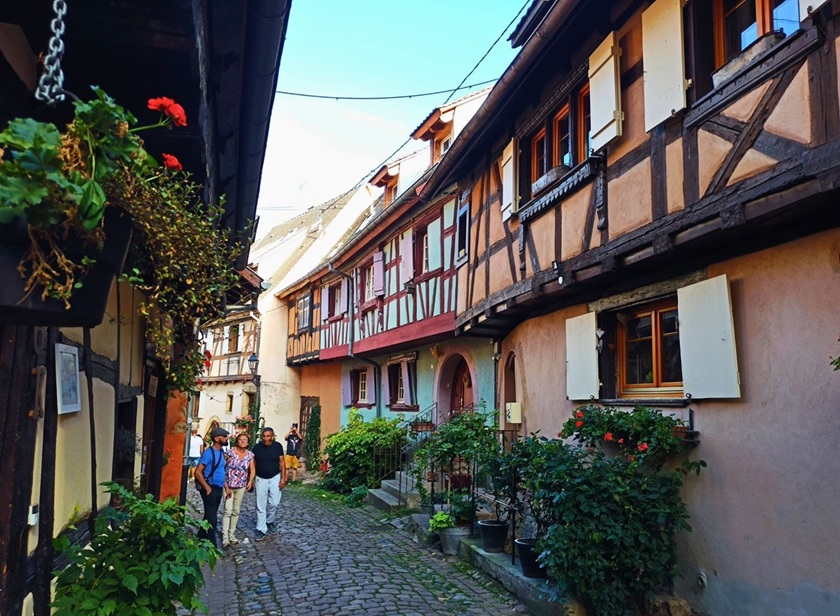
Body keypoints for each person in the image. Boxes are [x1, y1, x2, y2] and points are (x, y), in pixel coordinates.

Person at [194, 427, 230, 548]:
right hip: (210, 488)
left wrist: (226, 487)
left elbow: (221, 471)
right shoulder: (208, 453)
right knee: (212, 519)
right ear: (217, 438)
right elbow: (198, 472)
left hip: (218, 488)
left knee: (209, 515)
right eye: (224, 436)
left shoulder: (221, 452)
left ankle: (199, 538)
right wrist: (207, 488)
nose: (226, 438)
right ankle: (212, 546)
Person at [251, 427, 287, 541]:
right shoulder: (257, 448)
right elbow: (253, 464)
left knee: (274, 503)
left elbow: (282, 463)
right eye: (264, 436)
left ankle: (270, 521)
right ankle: (261, 529)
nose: (266, 438)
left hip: (275, 477)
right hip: (260, 478)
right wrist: (251, 479)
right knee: (260, 505)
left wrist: (283, 479)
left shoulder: (277, 446)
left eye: (268, 436)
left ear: (272, 436)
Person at [222, 432, 255, 546]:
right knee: (228, 511)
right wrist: (226, 486)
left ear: (248, 442)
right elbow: (222, 468)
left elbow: (252, 469)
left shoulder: (250, 455)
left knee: (236, 511)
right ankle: (225, 537)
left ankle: (232, 534)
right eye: (240, 439)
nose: (242, 441)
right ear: (237, 441)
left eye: (245, 440)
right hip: (228, 486)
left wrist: (250, 481)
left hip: (241, 486)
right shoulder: (230, 453)